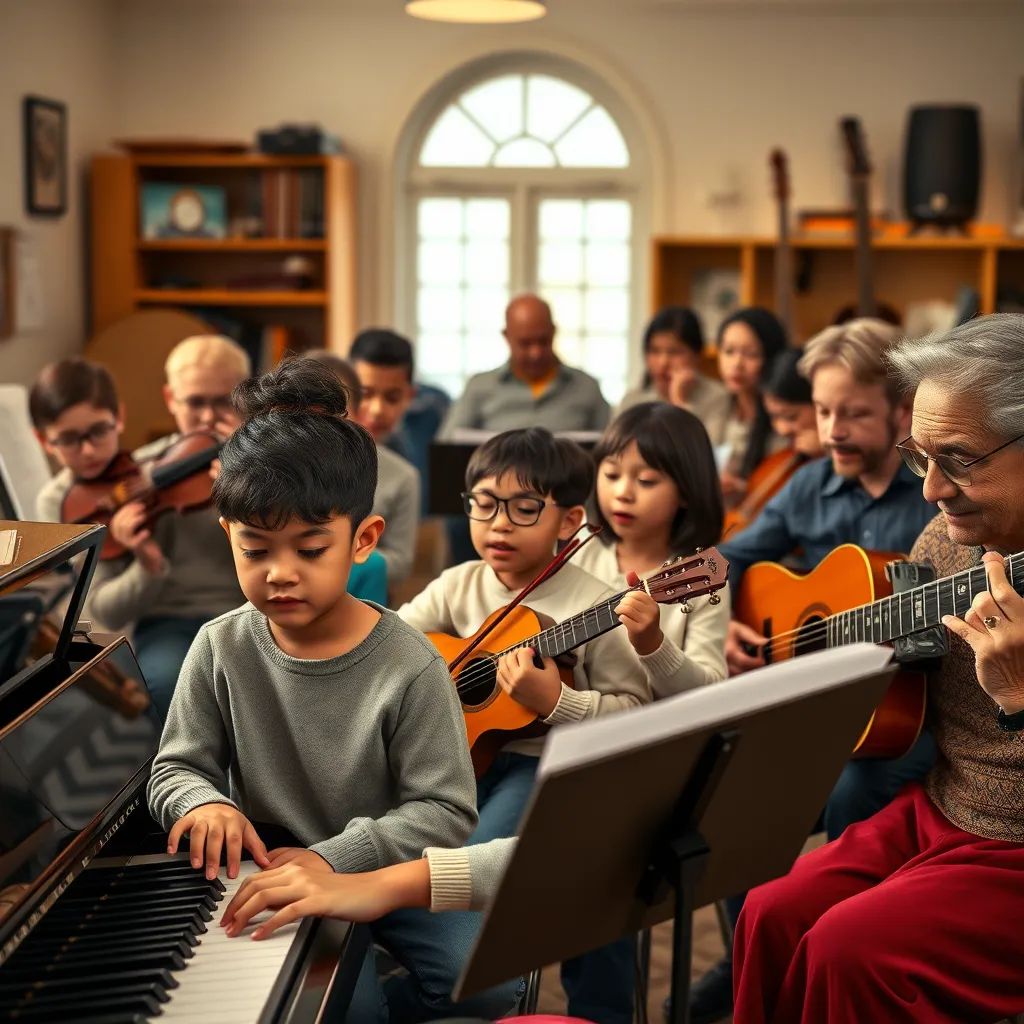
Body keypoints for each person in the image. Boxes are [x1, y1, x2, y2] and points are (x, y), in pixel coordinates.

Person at [146, 357, 517, 1023]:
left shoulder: (410, 662)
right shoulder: (220, 645)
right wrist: (201, 805)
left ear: (363, 540)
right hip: (277, 876)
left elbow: (445, 811)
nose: (280, 575)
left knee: (486, 981)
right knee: (346, 1009)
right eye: (256, 551)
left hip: (384, 873)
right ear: (227, 533)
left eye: (310, 549)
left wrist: (336, 860)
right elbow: (175, 766)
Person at [723, 312, 1024, 1024]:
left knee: (846, 949)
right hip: (946, 811)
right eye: (921, 458)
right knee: (768, 909)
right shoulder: (944, 542)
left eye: (957, 458)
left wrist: (1019, 696)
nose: (931, 490)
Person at [689, 318, 940, 1024]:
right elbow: (728, 558)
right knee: (726, 811)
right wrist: (727, 619)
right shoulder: (807, 488)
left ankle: (831, 971)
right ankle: (755, 961)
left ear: (900, 410)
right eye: (824, 411)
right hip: (810, 708)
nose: (831, 429)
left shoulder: (935, 498)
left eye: (853, 413)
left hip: (905, 718)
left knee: (856, 790)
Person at [396, 427, 651, 1024]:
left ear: (569, 521)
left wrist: (556, 700)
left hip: (543, 769)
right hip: (451, 760)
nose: (498, 525)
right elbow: (393, 644)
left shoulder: (599, 604)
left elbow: (635, 711)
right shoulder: (458, 582)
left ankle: (477, 989)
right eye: (483, 505)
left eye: (524, 508)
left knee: (476, 866)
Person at [79, 335, 248, 717]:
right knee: (166, 684)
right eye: (194, 402)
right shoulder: (137, 476)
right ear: (170, 399)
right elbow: (104, 611)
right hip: (168, 623)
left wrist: (249, 491)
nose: (207, 417)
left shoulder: (268, 467)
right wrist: (145, 562)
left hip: (251, 613)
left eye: (222, 400)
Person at [577, 402, 729, 698]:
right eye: (611, 475)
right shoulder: (580, 552)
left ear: (686, 492)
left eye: (645, 480)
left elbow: (711, 692)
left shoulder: (703, 580)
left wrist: (654, 646)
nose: (622, 493)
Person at [30, 359, 130, 631]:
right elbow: (83, 587)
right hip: (104, 619)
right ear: (43, 441)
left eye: (98, 431)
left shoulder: (145, 471)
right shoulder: (54, 501)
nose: (88, 450)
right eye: (69, 439)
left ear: (119, 418)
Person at [439, 295, 611, 437]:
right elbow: (446, 448)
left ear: (553, 332)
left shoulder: (587, 387)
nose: (535, 353)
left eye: (543, 341)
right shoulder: (479, 387)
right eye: (525, 343)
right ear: (507, 337)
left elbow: (614, 449)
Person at [336, 329, 422, 585]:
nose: (377, 409)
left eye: (392, 397)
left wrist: (329, 551)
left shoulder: (404, 477)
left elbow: (400, 564)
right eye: (365, 394)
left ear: (409, 397)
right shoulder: (300, 453)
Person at [693, 308, 789, 505]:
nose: (737, 363)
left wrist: (747, 491)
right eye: (729, 351)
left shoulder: (783, 416)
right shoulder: (714, 405)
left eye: (750, 354)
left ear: (771, 358)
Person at [617, 306, 730, 434]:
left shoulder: (717, 398)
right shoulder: (632, 400)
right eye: (655, 351)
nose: (663, 362)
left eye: (675, 352)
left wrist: (679, 400)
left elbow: (707, 450)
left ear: (697, 355)